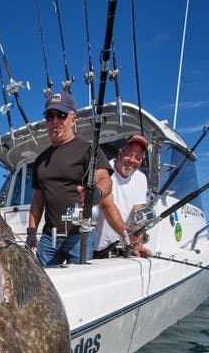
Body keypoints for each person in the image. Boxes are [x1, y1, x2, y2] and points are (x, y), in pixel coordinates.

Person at [26, 91, 113, 266]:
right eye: (50, 116)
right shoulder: (40, 160)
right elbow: (37, 200)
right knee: (45, 286)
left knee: (81, 286)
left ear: (73, 119)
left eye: (61, 115)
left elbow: (105, 180)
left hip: (79, 235)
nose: (55, 121)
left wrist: (96, 193)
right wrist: (31, 233)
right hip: (49, 237)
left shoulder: (88, 150)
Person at [93, 134, 152, 258]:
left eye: (137, 158)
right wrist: (127, 235)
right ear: (119, 153)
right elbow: (107, 206)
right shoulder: (104, 172)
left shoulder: (141, 178)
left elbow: (138, 212)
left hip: (123, 246)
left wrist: (136, 240)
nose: (132, 161)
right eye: (129, 155)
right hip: (97, 246)